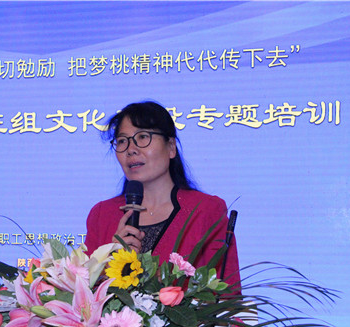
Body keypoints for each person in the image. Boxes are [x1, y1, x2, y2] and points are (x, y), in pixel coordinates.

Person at [84, 101, 240, 290]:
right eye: (122, 141)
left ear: (171, 147)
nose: (131, 149)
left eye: (143, 137)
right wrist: (107, 264)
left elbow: (228, 295)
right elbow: (82, 293)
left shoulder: (206, 211)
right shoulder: (102, 215)